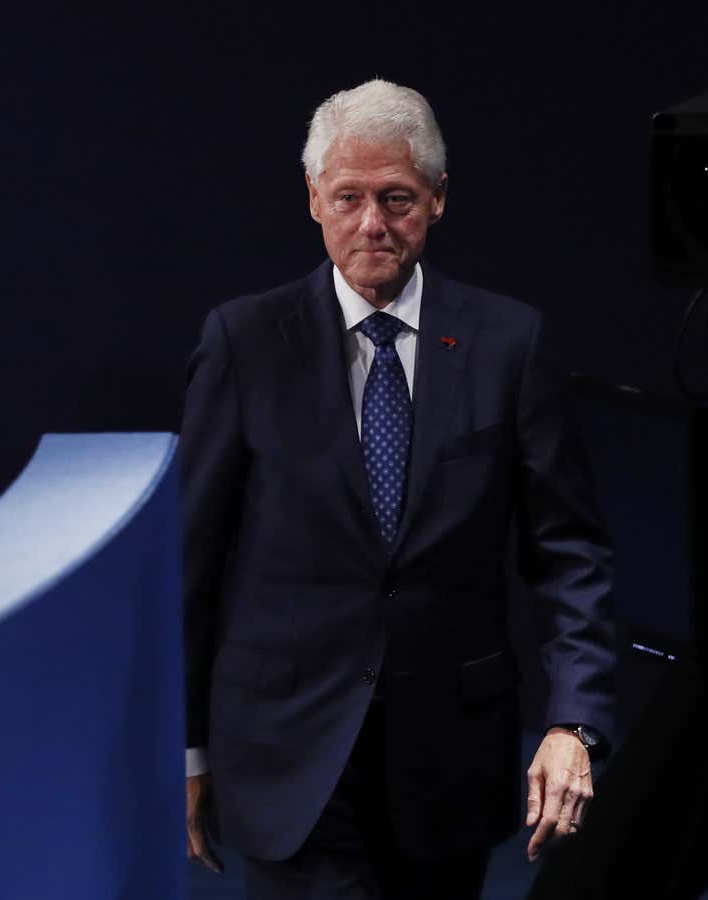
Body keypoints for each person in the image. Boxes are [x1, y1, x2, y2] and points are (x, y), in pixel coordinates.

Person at [178, 79, 616, 900]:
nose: (372, 223)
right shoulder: (245, 343)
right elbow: (191, 561)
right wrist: (188, 748)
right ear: (313, 198)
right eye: (348, 197)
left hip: (448, 762)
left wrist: (573, 720)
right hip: (285, 758)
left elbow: (569, 551)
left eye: (396, 198)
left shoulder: (507, 343)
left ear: (439, 200)